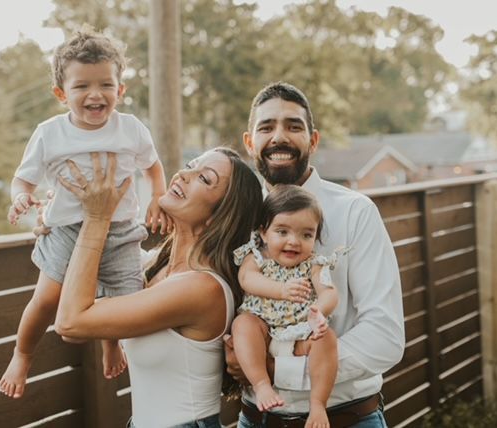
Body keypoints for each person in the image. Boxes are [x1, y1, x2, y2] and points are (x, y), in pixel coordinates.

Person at [0, 30, 169, 399]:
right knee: (46, 299)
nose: (95, 94)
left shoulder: (132, 129)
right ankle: (22, 353)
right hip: (66, 231)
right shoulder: (50, 133)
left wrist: (158, 196)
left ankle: (110, 344)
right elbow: (22, 179)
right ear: (62, 94)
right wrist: (20, 198)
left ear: (120, 90)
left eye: (106, 84)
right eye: (82, 87)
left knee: (124, 304)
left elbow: (153, 167)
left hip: (122, 230)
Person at [225, 82, 405, 428]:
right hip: (256, 420)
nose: (279, 137)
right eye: (267, 127)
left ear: (313, 140)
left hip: (346, 419)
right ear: (250, 143)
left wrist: (280, 370)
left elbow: (385, 338)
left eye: (294, 126)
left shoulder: (356, 212)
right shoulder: (239, 218)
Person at [54, 148, 263, 427]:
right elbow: (86, 263)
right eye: (190, 165)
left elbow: (71, 323)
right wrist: (57, 221)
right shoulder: (156, 266)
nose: (184, 174)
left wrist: (97, 218)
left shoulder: (202, 288)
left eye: (204, 178)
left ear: (221, 215)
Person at [232, 184, 344, 428]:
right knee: (243, 325)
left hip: (300, 334)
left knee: (327, 339)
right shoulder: (256, 257)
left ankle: (317, 404)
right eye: (282, 232)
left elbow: (330, 293)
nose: (294, 242)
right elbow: (247, 280)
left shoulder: (314, 264)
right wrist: (281, 290)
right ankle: (261, 385)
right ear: (263, 232)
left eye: (306, 235)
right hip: (263, 331)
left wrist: (319, 311)